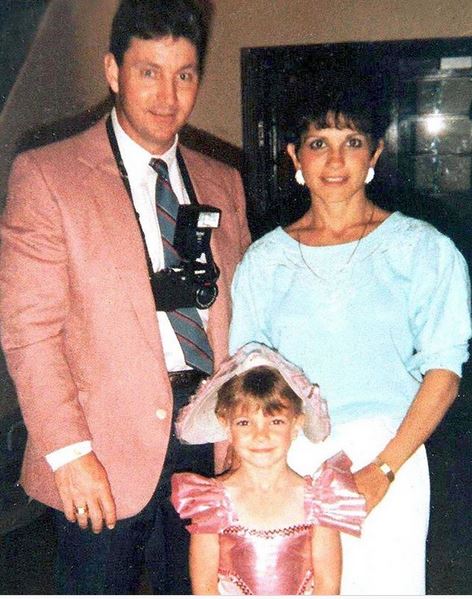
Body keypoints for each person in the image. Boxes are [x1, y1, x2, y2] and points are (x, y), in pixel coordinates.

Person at [0, 0, 250, 594]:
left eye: (184, 75)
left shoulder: (223, 180)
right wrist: (69, 454)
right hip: (102, 447)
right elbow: (29, 332)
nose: (168, 95)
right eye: (148, 72)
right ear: (113, 71)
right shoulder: (48, 176)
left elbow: (241, 319)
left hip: (207, 435)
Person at [229, 81, 472, 594]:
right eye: (319, 143)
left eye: (353, 142)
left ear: (375, 154)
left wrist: (382, 471)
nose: (336, 160)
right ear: (295, 156)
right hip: (285, 461)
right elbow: (245, 382)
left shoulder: (422, 250)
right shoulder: (263, 262)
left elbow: (444, 375)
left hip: (390, 456)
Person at [171, 342, 366, 595]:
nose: (260, 436)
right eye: (244, 423)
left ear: (296, 424)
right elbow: (205, 589)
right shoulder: (211, 502)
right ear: (226, 426)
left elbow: (328, 587)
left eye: (275, 422)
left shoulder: (319, 500)